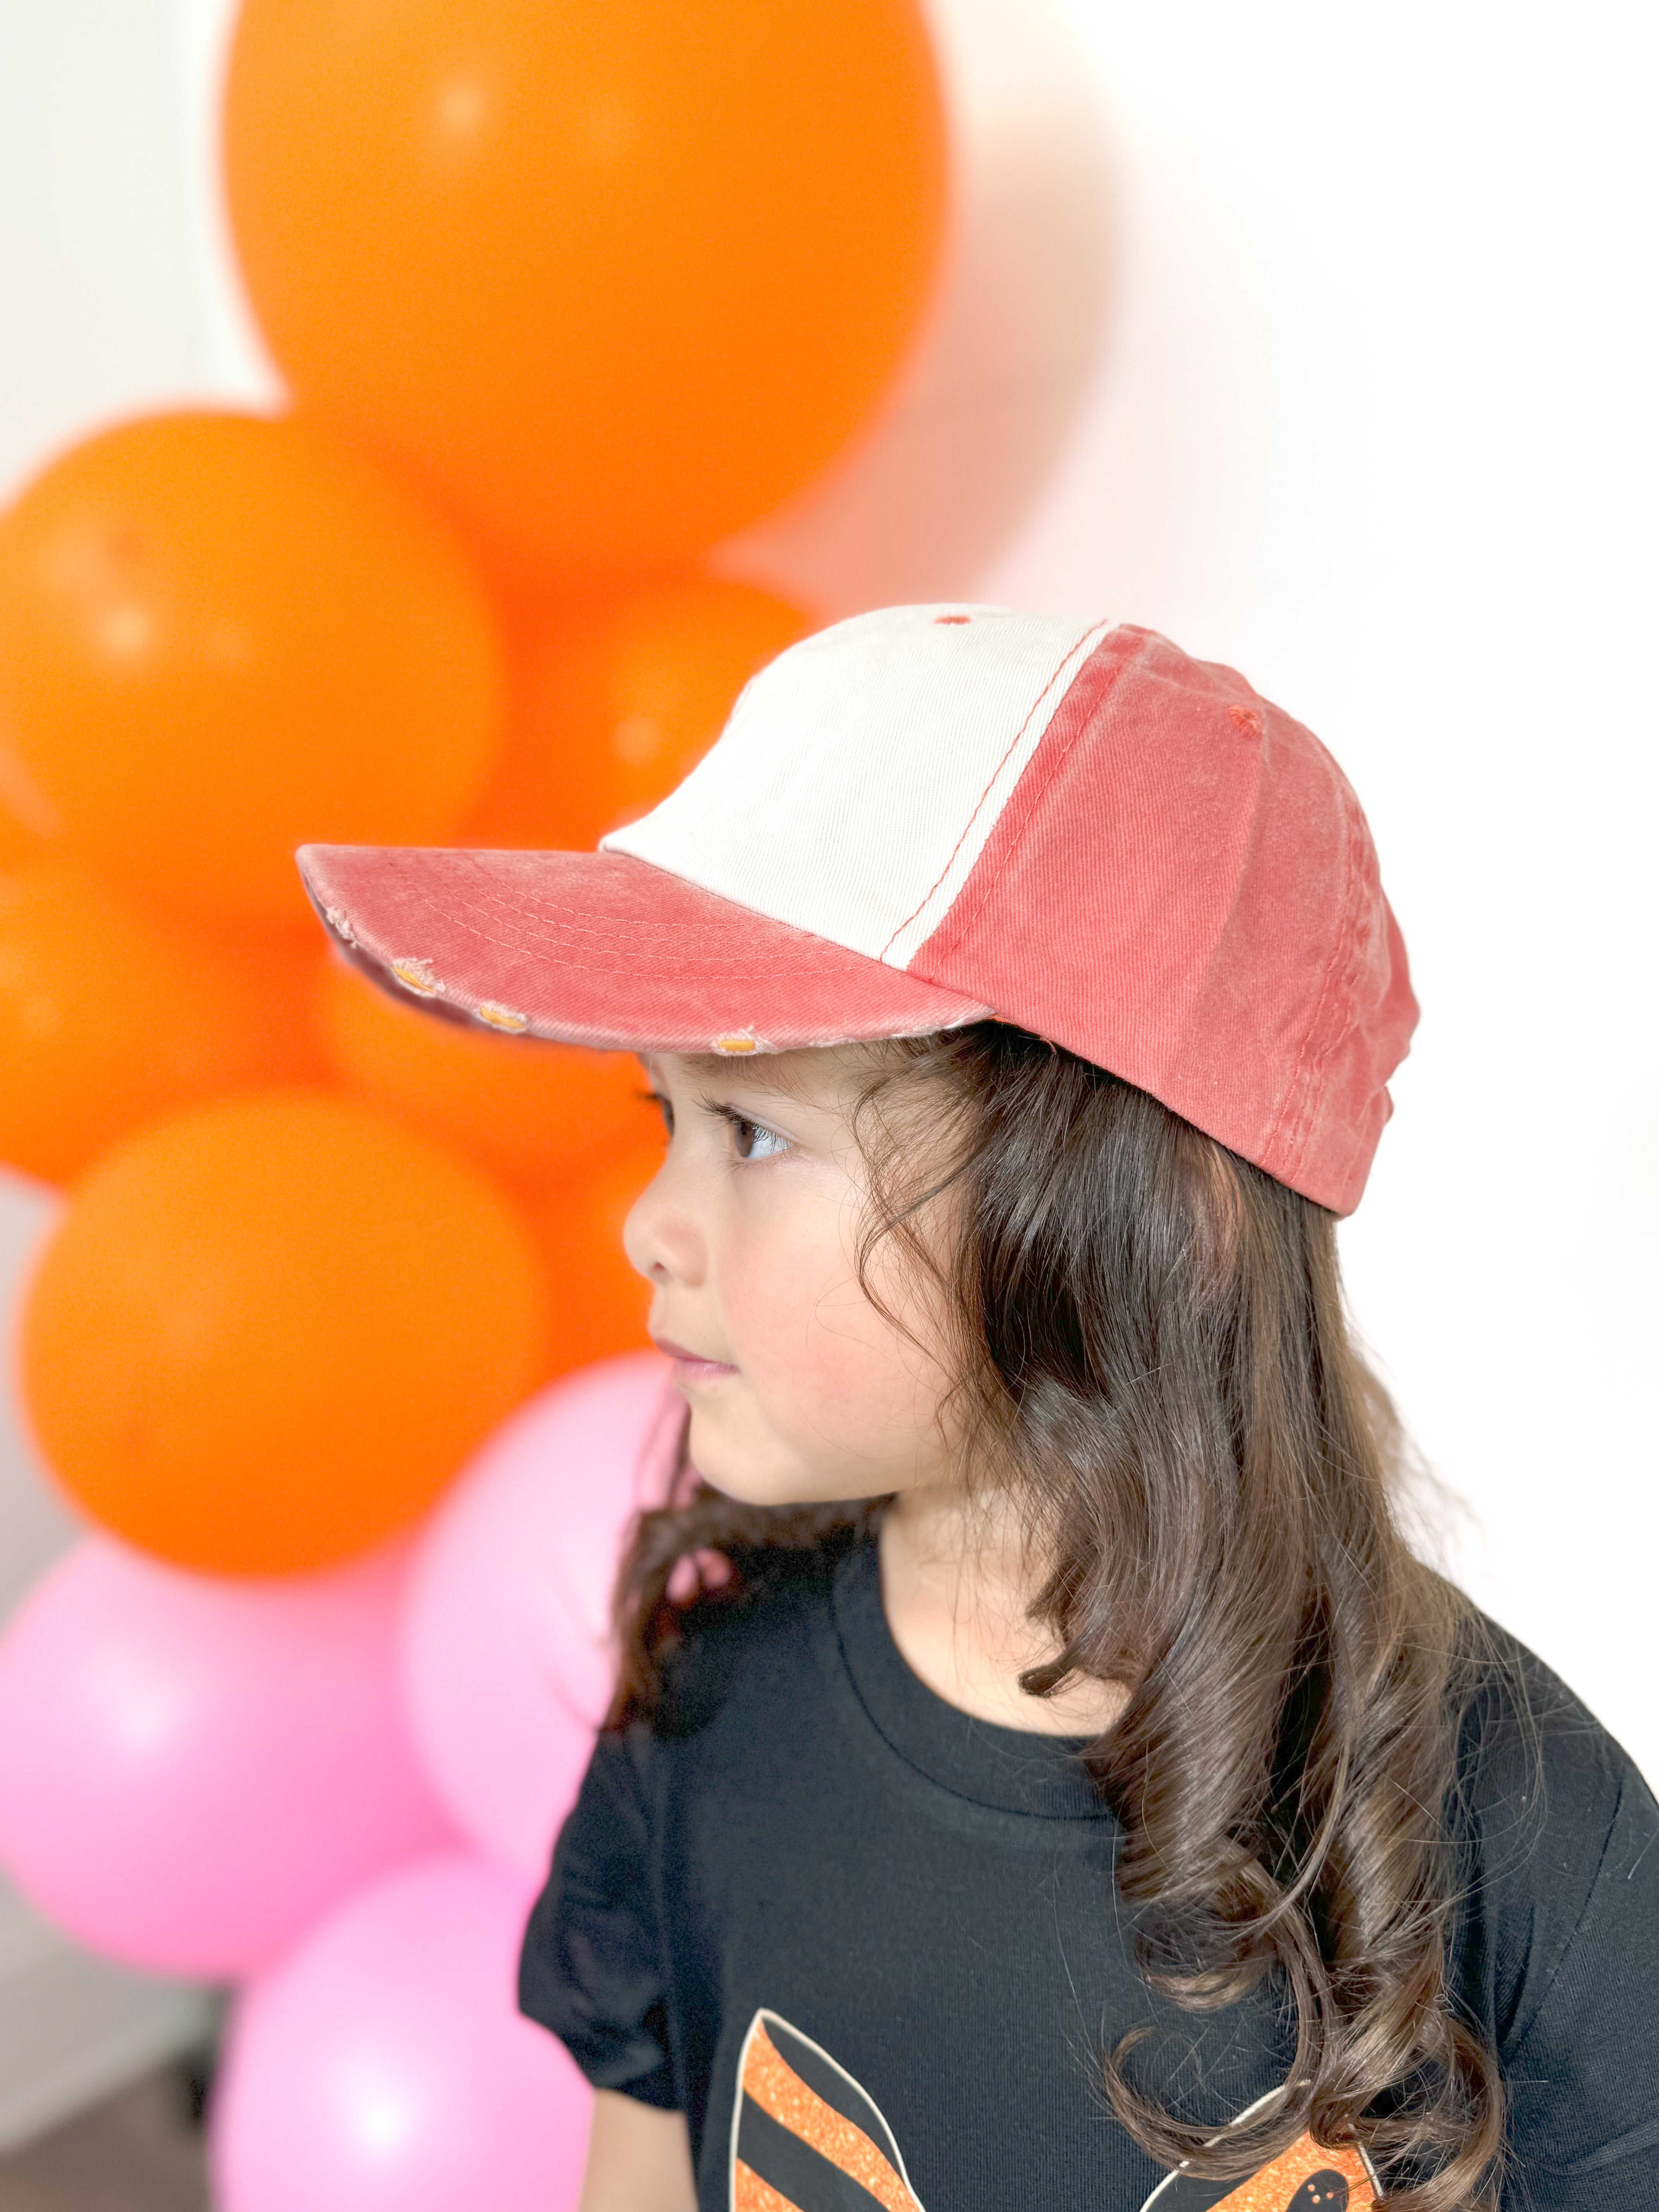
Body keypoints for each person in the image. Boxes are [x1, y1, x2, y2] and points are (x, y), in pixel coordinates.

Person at [299, 608, 1659, 2212]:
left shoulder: (1528, 1842)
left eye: (747, 1131)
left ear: (1151, 1214)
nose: (646, 1225)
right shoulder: (711, 1708)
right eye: (662, 1115)